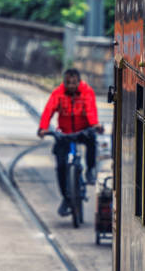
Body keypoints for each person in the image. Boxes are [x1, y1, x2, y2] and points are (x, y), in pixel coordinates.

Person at [38, 66, 103, 216]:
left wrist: (95, 125)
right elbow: (48, 111)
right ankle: (66, 198)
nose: (71, 86)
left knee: (92, 140)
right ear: (64, 83)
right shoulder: (58, 93)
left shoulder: (87, 91)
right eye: (68, 83)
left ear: (79, 82)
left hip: (83, 130)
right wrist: (43, 128)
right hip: (65, 133)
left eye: (74, 83)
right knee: (60, 166)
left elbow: (91, 110)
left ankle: (90, 170)